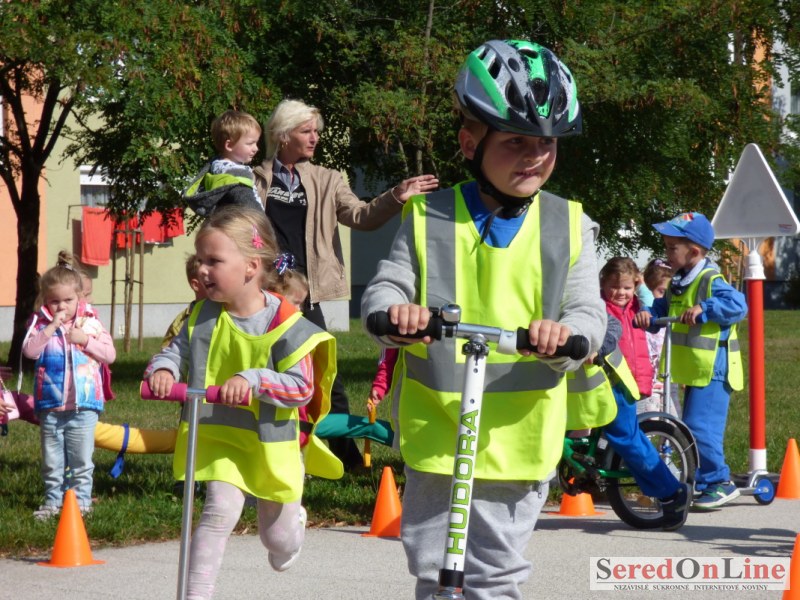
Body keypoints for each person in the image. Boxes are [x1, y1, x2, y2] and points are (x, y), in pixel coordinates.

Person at [361, 39, 607, 599]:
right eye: (515, 140)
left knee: (493, 573)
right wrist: (391, 313)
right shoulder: (428, 214)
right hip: (438, 428)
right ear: (470, 143)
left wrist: (569, 335)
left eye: (546, 143)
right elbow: (387, 284)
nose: (535, 156)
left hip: (518, 435)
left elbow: (587, 309)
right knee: (432, 565)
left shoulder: (570, 223)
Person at [145, 205, 336, 598]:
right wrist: (163, 369)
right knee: (217, 514)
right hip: (221, 440)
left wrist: (253, 379)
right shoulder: (201, 316)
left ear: (251, 266)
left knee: (276, 539)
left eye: (213, 261)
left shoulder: (287, 324)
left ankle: (292, 528)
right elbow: (175, 351)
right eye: (200, 259)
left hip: (271, 446)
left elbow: (301, 389)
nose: (201, 270)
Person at [253, 98, 439, 470]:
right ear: (283, 135)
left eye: (316, 131)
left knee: (326, 375)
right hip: (261, 293)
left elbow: (360, 215)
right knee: (260, 367)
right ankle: (258, 450)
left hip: (304, 295)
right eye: (306, 131)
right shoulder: (254, 178)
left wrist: (395, 196)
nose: (315, 138)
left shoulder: (328, 179)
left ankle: (345, 455)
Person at [635, 212, 747, 510]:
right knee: (690, 426)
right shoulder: (678, 282)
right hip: (694, 368)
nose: (667, 253)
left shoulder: (709, 279)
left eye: (672, 247)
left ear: (694, 251)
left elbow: (738, 305)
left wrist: (704, 309)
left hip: (714, 367)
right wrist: (649, 315)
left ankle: (719, 482)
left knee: (700, 427)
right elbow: (662, 309)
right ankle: (703, 480)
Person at [597, 258, 691, 531]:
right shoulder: (599, 307)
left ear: (636, 285)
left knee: (624, 436)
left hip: (625, 382)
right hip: (602, 380)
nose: (620, 292)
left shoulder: (639, 307)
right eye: (614, 286)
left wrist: (640, 291)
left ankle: (672, 491)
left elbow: (648, 298)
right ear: (602, 284)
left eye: (627, 287)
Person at [22, 251, 116, 519]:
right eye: (54, 301)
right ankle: (53, 503)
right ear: (45, 300)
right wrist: (50, 327)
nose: (61, 306)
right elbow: (30, 351)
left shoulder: (91, 324)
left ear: (79, 298)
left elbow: (110, 355)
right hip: (51, 406)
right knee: (52, 461)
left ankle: (81, 503)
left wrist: (85, 340)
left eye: (68, 300)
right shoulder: (40, 325)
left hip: (83, 406)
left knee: (81, 460)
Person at [183, 110, 264, 217]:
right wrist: (263, 223)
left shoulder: (214, 168)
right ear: (229, 145)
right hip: (245, 225)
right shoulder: (235, 177)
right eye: (250, 143)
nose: (256, 148)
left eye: (256, 143)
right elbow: (251, 209)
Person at [637, 258, 680, 415]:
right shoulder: (647, 314)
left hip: (669, 380)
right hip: (649, 383)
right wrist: (640, 282)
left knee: (674, 420)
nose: (665, 298)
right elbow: (646, 298)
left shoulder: (673, 315)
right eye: (661, 292)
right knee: (647, 420)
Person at [161, 253, 207, 348]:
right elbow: (167, 352)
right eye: (208, 278)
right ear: (195, 285)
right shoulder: (181, 323)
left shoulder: (229, 311)